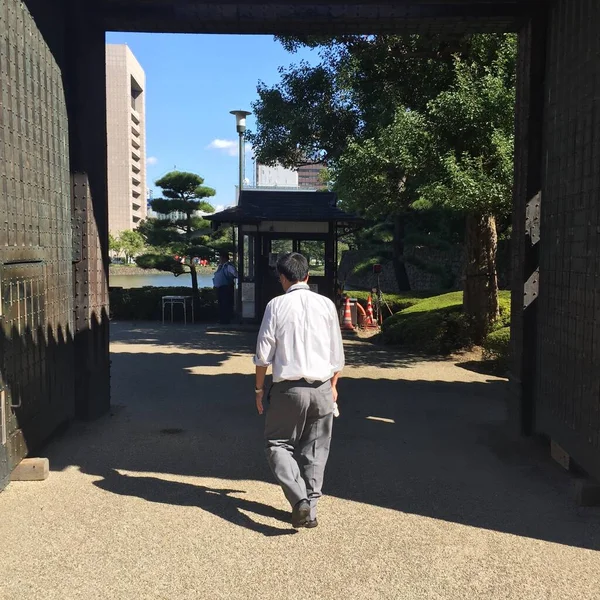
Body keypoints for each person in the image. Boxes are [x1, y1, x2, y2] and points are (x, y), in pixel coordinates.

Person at [253, 252, 345, 529]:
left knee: (277, 443)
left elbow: (263, 355)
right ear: (308, 275)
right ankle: (311, 511)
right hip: (322, 388)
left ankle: (299, 500)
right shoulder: (326, 304)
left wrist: (259, 389)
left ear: (283, 278)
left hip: (288, 389)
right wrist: (333, 387)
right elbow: (336, 353)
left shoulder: (276, 305)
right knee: (316, 449)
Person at [213, 251, 238, 324]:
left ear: (224, 258)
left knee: (225, 304)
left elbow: (236, 274)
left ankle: (226, 320)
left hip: (226, 288)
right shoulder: (221, 266)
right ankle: (222, 319)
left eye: (220, 257)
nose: (219, 259)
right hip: (220, 288)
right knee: (221, 304)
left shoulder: (229, 266)